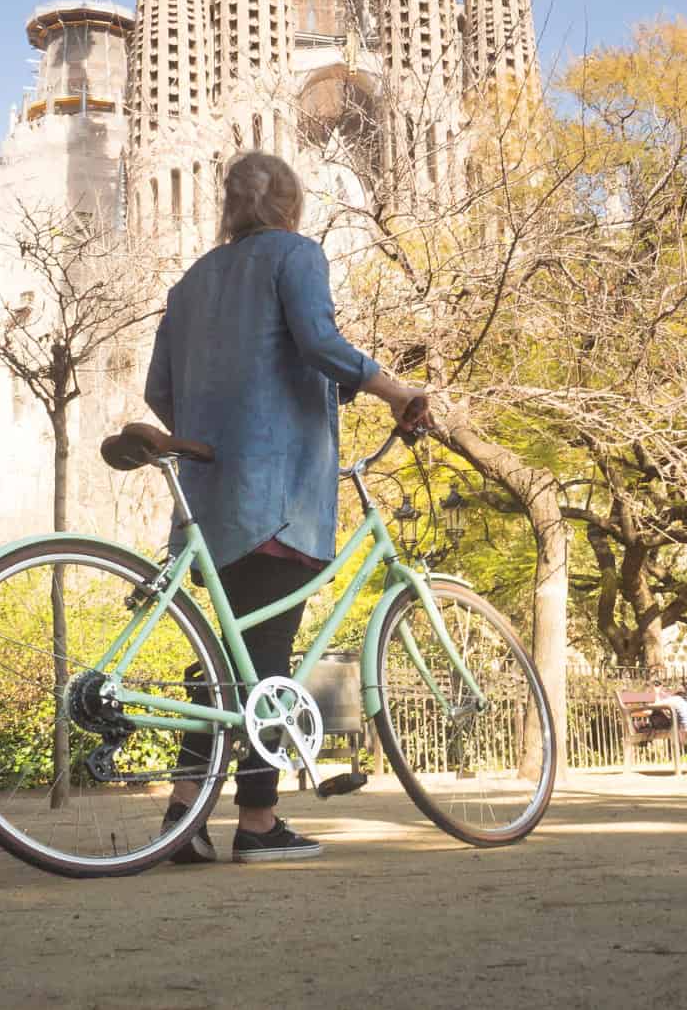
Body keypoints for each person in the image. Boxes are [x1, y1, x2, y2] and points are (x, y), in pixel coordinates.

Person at [148, 152, 432, 865]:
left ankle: (184, 812)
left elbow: (160, 393)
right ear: (292, 203)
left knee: (225, 657)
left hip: (209, 497)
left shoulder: (188, 285)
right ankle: (259, 820)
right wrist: (398, 392)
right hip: (277, 489)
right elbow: (320, 342)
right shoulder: (295, 254)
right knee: (267, 656)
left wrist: (223, 414)